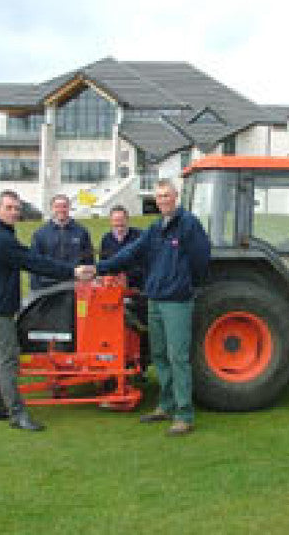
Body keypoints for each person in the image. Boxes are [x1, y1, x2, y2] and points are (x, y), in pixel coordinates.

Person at [96, 179, 210, 436]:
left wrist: (185, 285)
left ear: (176, 196)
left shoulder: (188, 224)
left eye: (167, 195)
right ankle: (166, 405)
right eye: (159, 197)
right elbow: (130, 253)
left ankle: (184, 414)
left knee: (178, 357)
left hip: (177, 301)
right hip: (155, 299)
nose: (163, 200)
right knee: (159, 354)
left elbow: (201, 258)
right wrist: (100, 268)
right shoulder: (156, 228)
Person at [0, 190, 95, 431]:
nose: (13, 213)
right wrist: (73, 272)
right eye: (9, 208)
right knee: (8, 359)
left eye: (17, 209)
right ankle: (16, 414)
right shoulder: (0, 239)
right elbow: (34, 262)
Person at [29, 194, 94, 291]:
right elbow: (34, 264)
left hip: (75, 284)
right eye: (57, 206)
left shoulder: (81, 232)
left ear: (69, 208)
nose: (61, 210)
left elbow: (89, 260)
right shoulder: (40, 234)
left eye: (64, 206)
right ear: (52, 208)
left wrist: (89, 282)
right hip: (48, 286)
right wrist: (35, 288)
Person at [99, 205, 144, 288]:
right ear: (110, 221)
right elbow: (103, 264)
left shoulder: (140, 236)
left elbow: (147, 263)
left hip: (137, 288)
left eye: (121, 221)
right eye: (116, 221)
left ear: (127, 220)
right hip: (113, 288)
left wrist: (127, 277)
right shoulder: (106, 239)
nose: (119, 225)